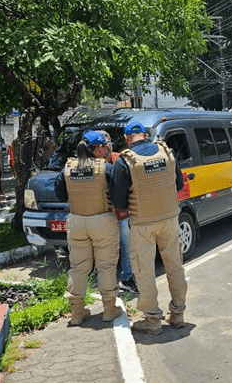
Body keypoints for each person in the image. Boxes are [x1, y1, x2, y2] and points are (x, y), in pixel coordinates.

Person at [110, 121, 187, 335]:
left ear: (127, 138)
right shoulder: (166, 153)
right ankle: (178, 314)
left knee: (144, 271)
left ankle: (153, 320)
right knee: (174, 266)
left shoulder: (125, 161)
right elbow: (179, 185)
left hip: (142, 224)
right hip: (170, 220)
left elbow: (118, 200)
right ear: (145, 135)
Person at [53, 130, 121, 326]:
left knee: (78, 267)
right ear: (98, 149)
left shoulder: (67, 168)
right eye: (105, 147)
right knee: (106, 266)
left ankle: (76, 312)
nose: (107, 150)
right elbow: (118, 195)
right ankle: (109, 309)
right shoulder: (105, 168)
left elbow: (59, 194)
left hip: (76, 222)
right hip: (102, 221)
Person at [96, 130, 137, 294]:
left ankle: (127, 278)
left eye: (105, 145)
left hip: (121, 214)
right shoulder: (91, 164)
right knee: (106, 251)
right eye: (99, 146)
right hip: (102, 215)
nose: (103, 149)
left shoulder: (119, 159)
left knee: (127, 248)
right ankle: (106, 284)